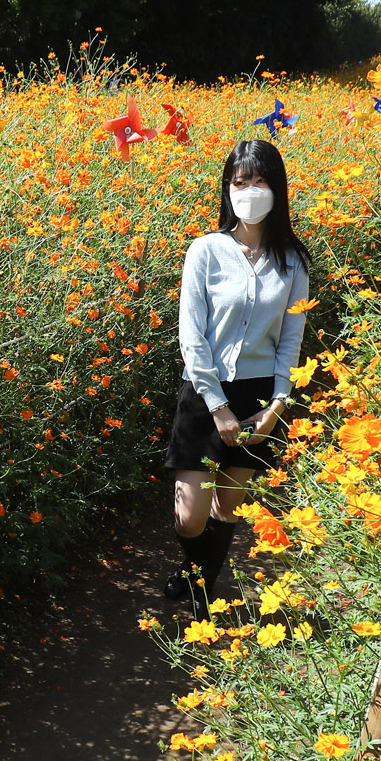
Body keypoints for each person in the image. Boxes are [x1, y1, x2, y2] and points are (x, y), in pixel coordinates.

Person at [163, 140, 312, 615]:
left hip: (259, 395)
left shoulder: (293, 261)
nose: (249, 192)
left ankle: (202, 589)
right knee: (189, 516)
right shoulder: (205, 251)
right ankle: (193, 570)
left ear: (278, 190)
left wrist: (278, 403)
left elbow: (291, 340)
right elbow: (191, 334)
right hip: (205, 392)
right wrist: (217, 405)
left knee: (229, 508)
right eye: (239, 182)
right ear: (227, 190)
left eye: (260, 182)